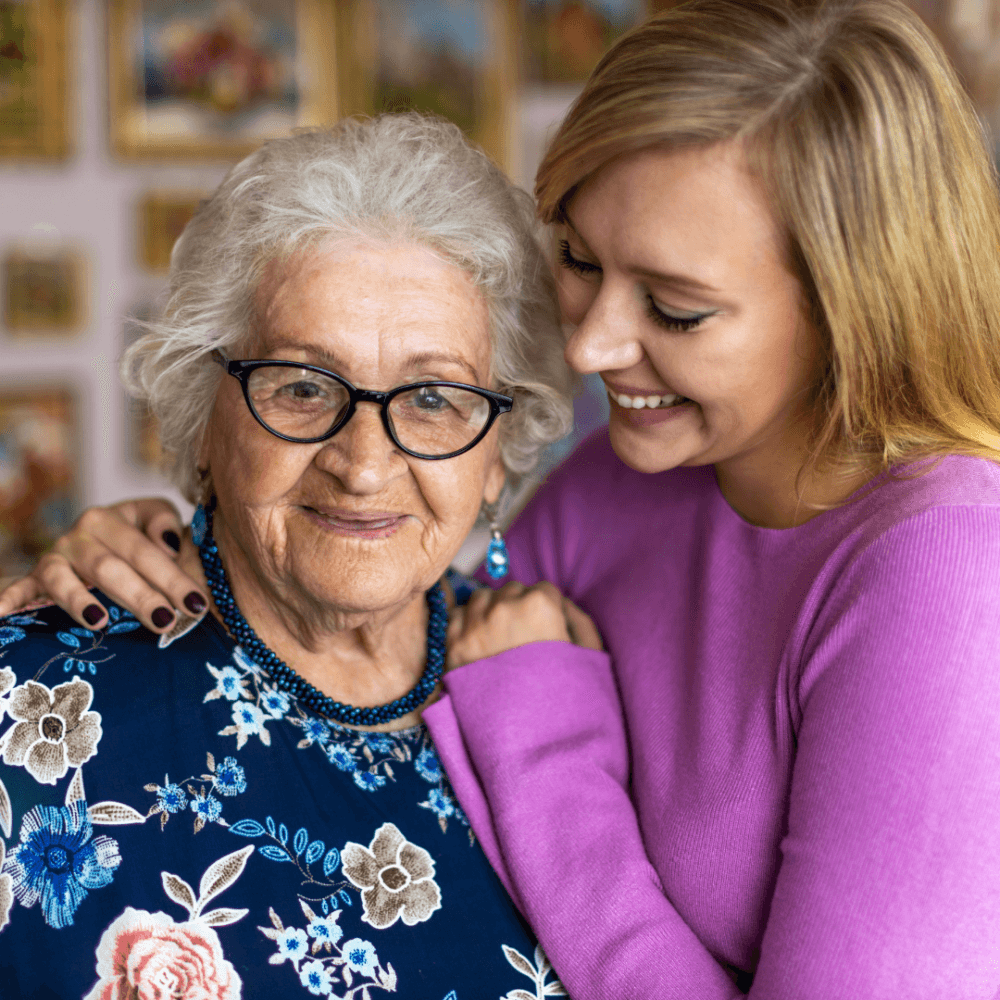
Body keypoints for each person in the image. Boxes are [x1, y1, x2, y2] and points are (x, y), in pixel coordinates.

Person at [5, 0, 1000, 997]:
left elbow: (488, 663)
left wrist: (543, 751)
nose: (589, 350)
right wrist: (139, 535)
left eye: (674, 307)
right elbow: (385, 569)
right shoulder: (627, 475)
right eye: (577, 258)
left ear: (847, 309)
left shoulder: (946, 569)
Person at [0, 113, 589, 999]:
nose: (363, 465)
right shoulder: (27, 712)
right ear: (205, 416)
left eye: (432, 397)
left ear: (498, 449)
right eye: (305, 388)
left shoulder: (570, 691)